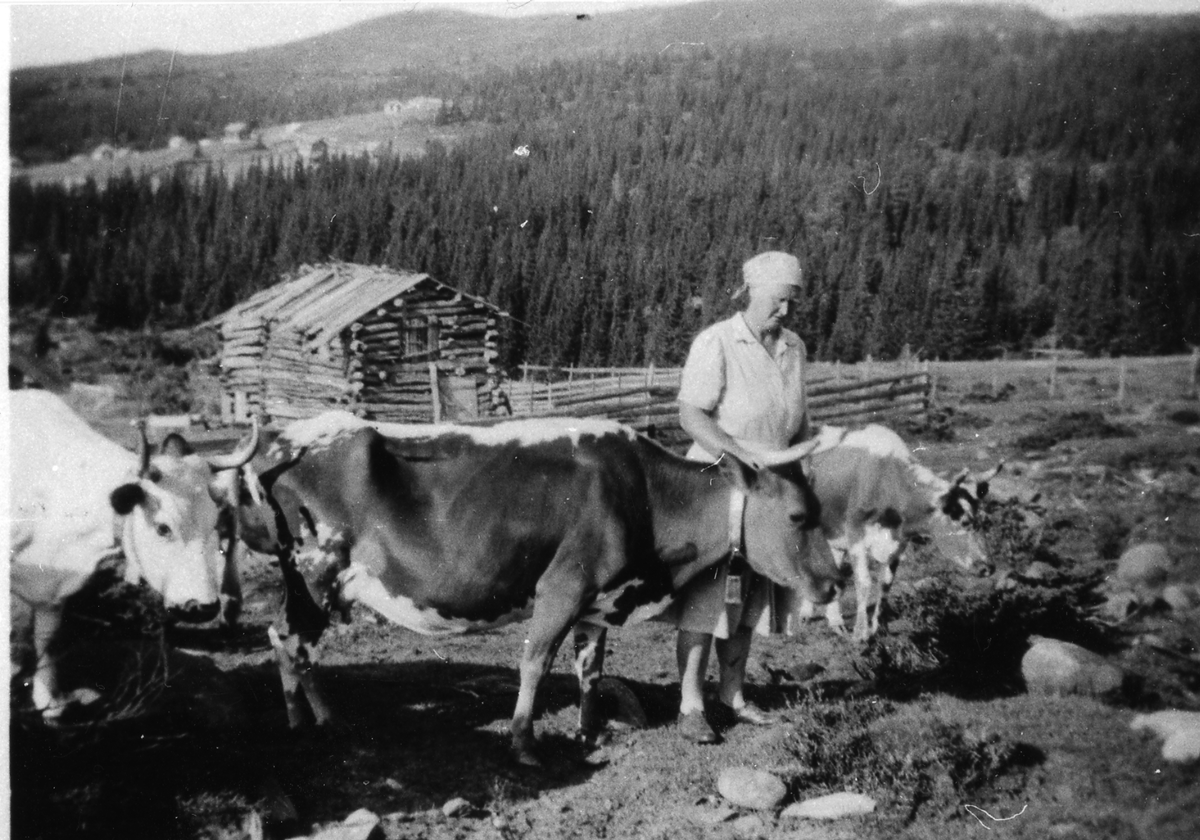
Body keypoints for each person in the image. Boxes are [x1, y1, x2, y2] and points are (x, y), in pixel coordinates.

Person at [667, 250, 812, 745]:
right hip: (720, 484)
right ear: (752, 292)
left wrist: (802, 465)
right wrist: (735, 457)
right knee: (710, 595)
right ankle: (690, 704)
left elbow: (798, 422)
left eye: (792, 302)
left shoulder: (794, 348)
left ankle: (732, 695)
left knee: (751, 596)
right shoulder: (718, 342)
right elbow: (692, 415)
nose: (786, 312)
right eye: (777, 301)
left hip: (770, 488)